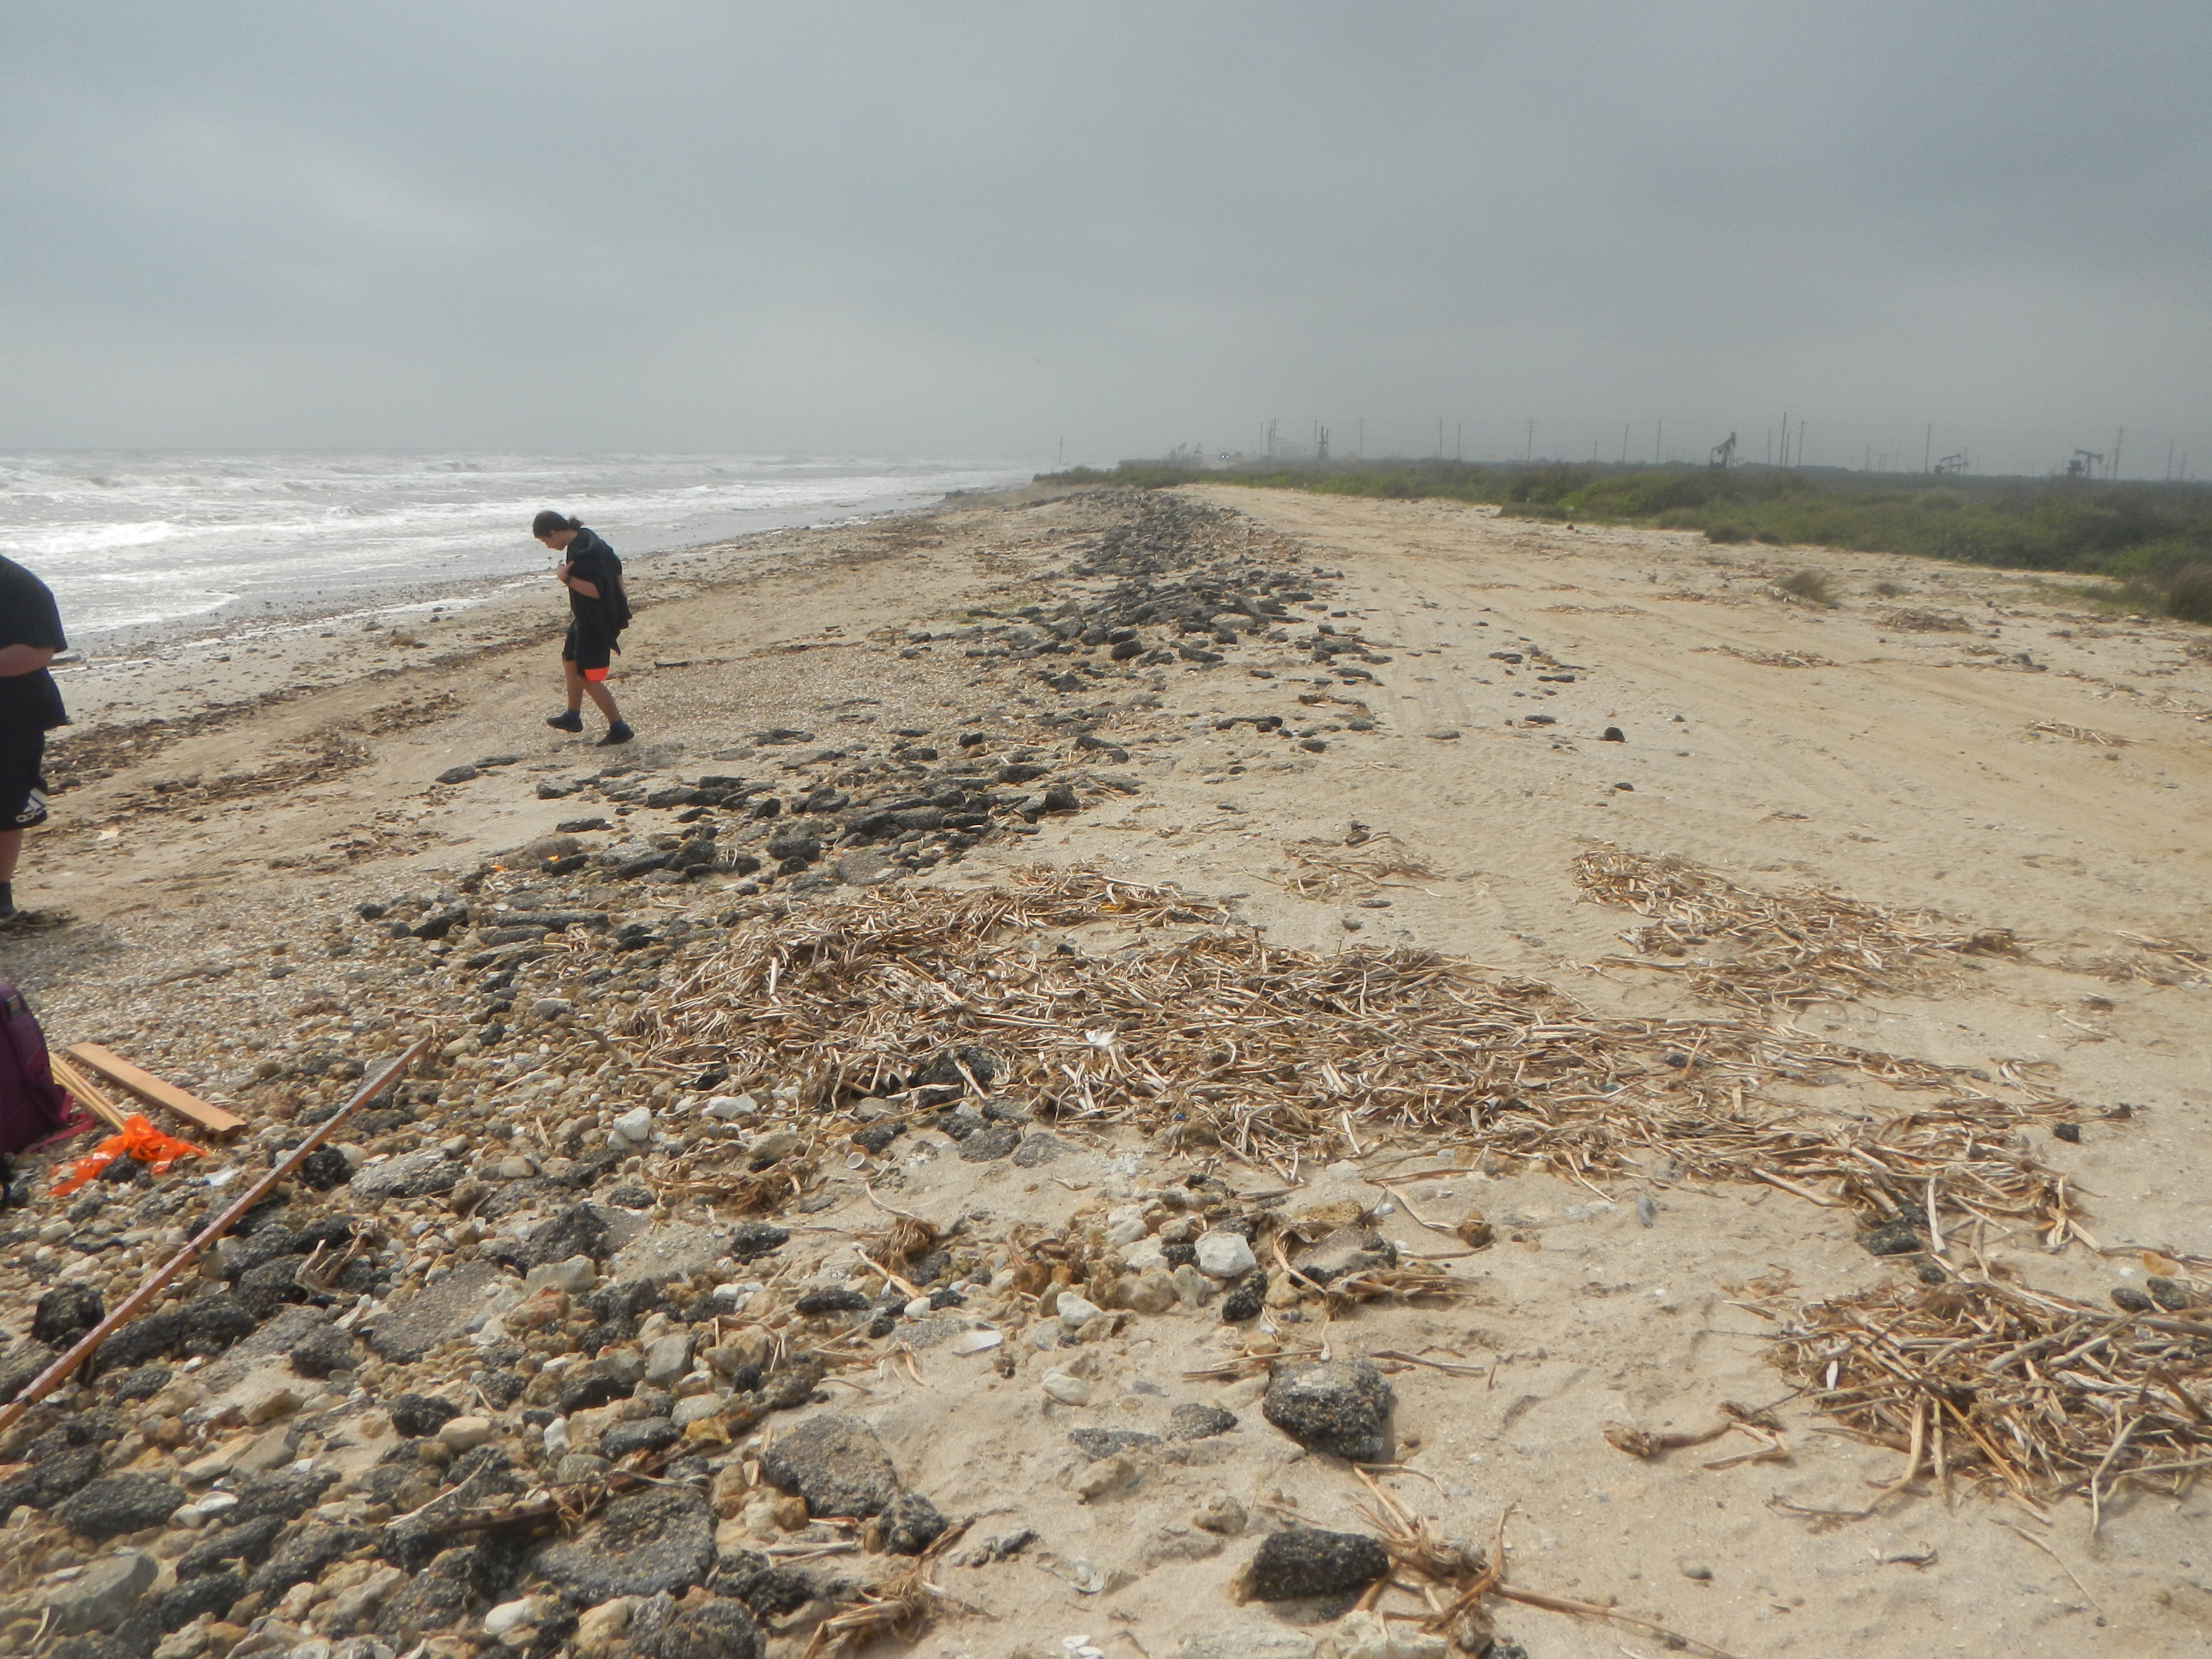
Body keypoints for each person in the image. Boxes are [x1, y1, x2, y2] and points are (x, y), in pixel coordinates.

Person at [0, 554, 69, 923]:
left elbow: (38, 651)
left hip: (11, 711)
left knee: (6, 803)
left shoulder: (18, 584)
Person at [531, 510, 634, 745]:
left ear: (554, 532)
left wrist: (565, 579)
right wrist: (620, 601)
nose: (548, 546)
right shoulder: (586, 536)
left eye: (546, 540)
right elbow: (616, 566)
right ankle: (572, 716)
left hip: (596, 621)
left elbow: (595, 591)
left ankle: (620, 728)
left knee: (588, 677)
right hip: (587, 617)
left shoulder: (584, 552)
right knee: (570, 659)